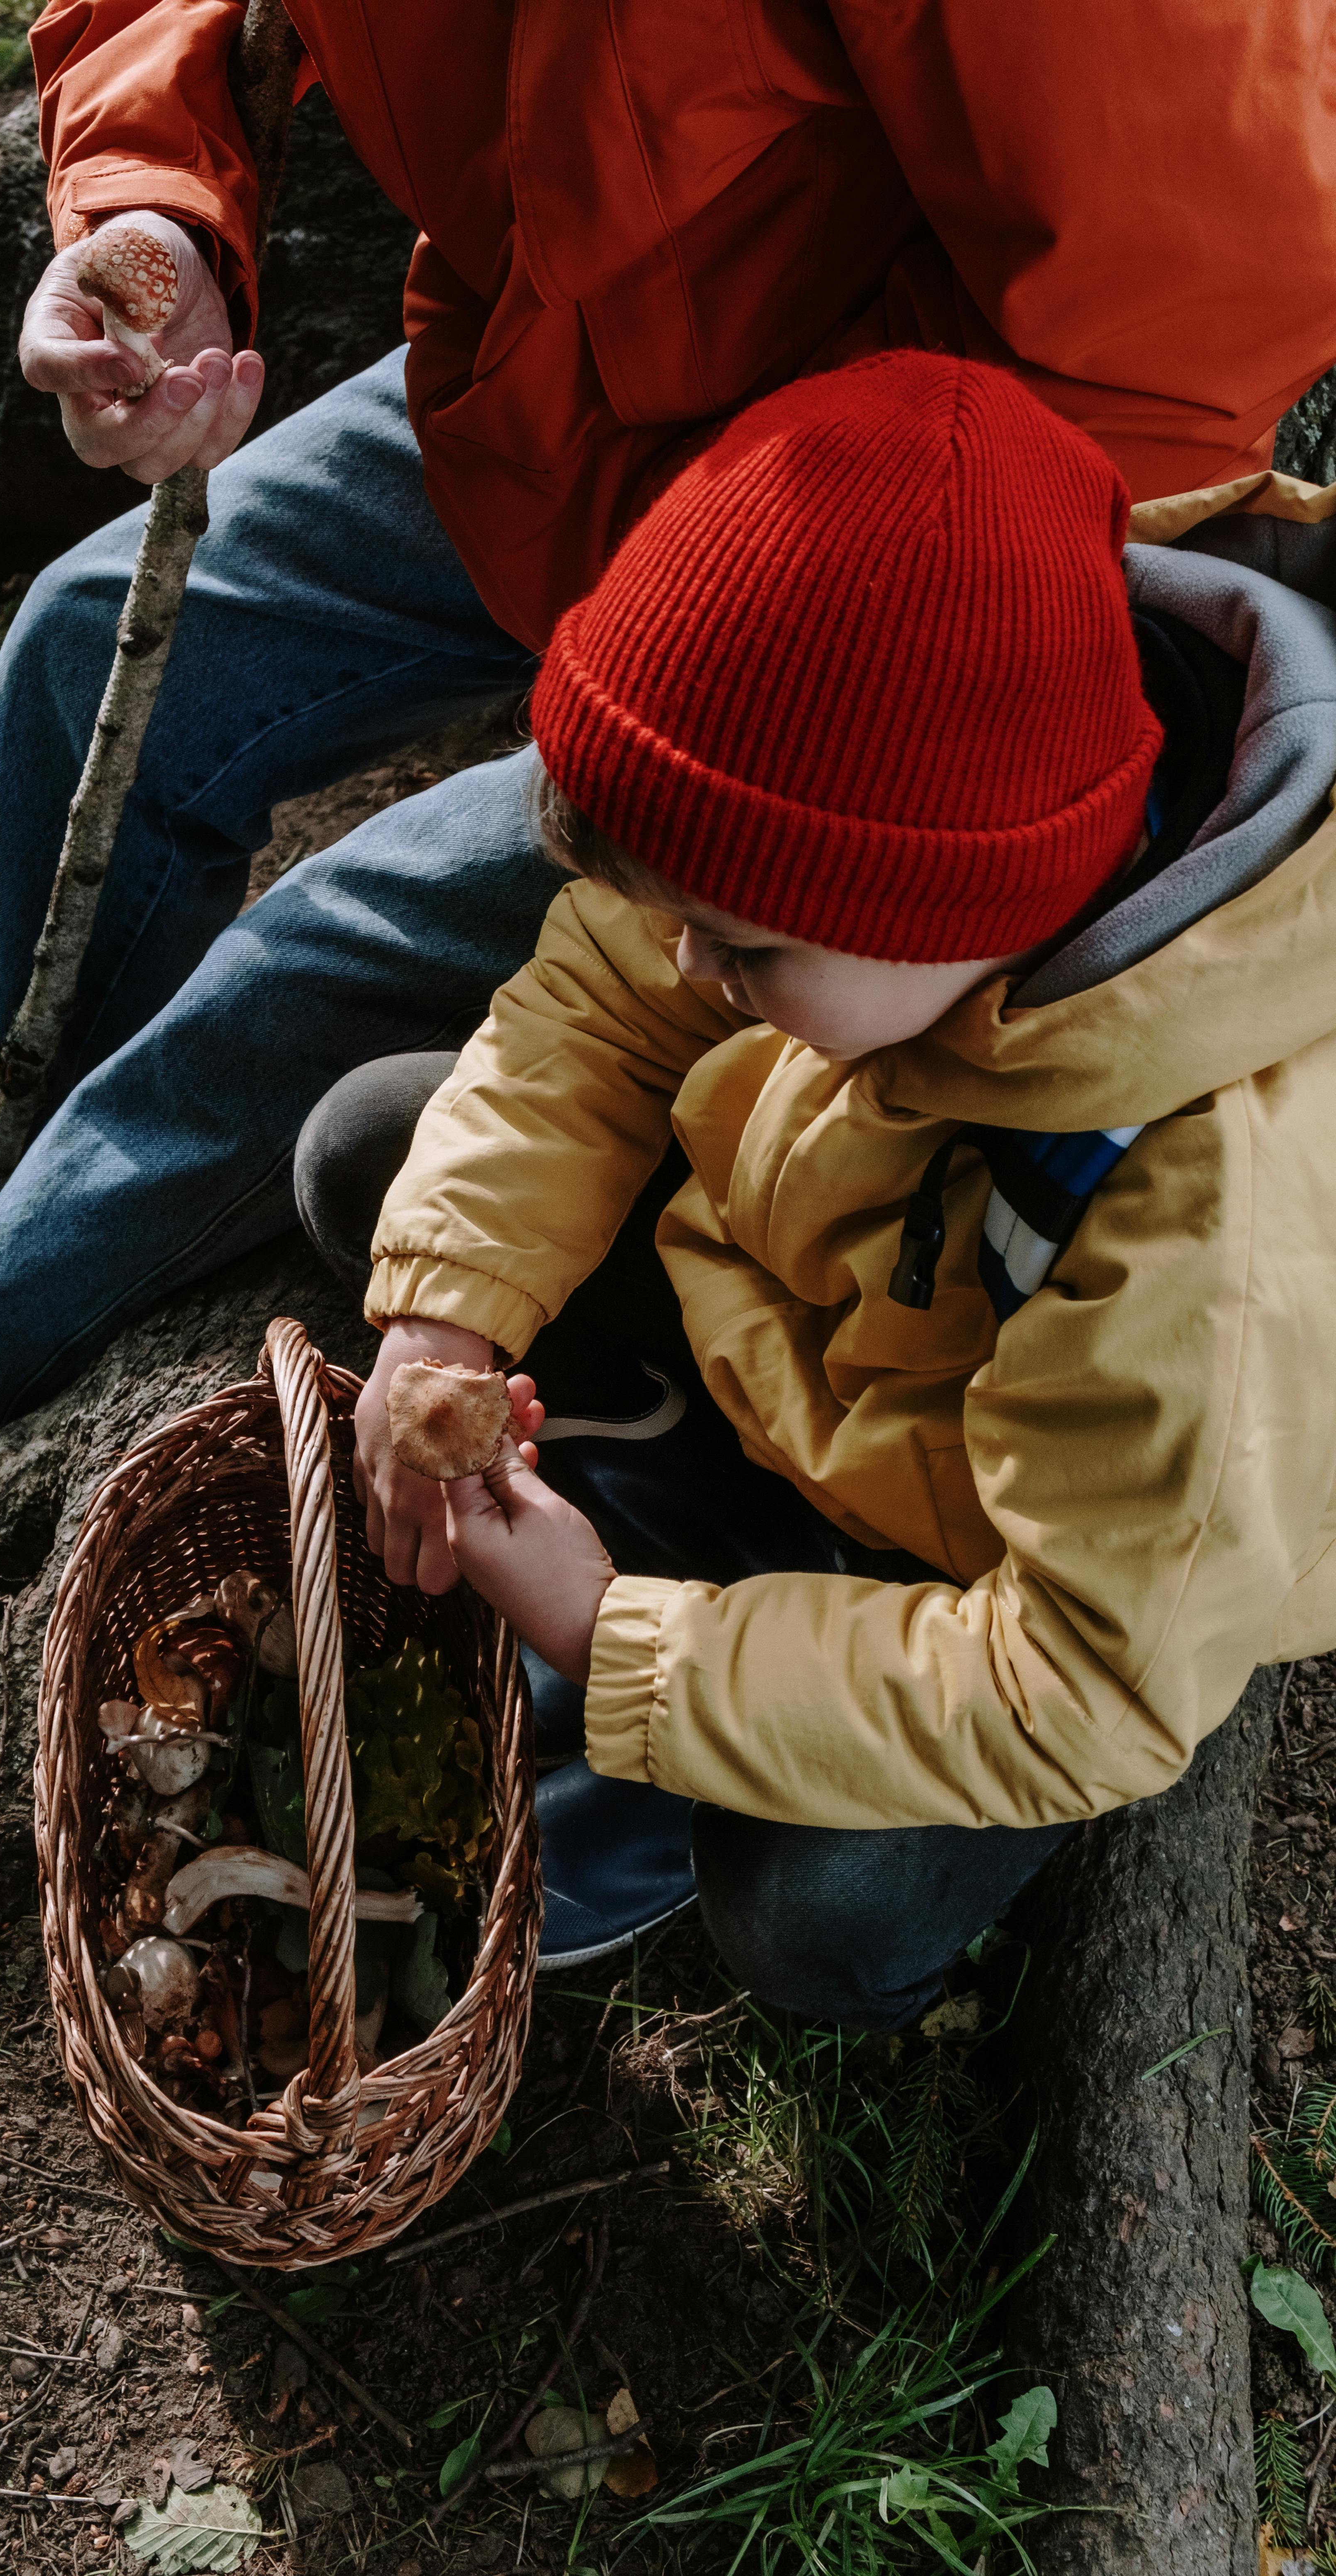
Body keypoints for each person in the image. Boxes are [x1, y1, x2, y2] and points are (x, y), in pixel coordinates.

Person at [0, 1, 1335, 1544]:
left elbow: (1188, 290)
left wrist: (823, 622)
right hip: (543, 387)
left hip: (864, 552)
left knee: (325, 949)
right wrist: (154, 196)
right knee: (100, 639)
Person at [295, 350, 1336, 2010]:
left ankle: (734, 1596)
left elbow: (1068, 1686)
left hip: (1028, 1555)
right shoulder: (859, 831)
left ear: (948, 909)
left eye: (744, 947)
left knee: (812, 1929)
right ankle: (717, 1507)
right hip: (836, 1300)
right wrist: (445, 1316)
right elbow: (595, 997)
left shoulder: (1205, 1233)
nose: (686, 960)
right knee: (377, 1152)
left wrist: (608, 1637)